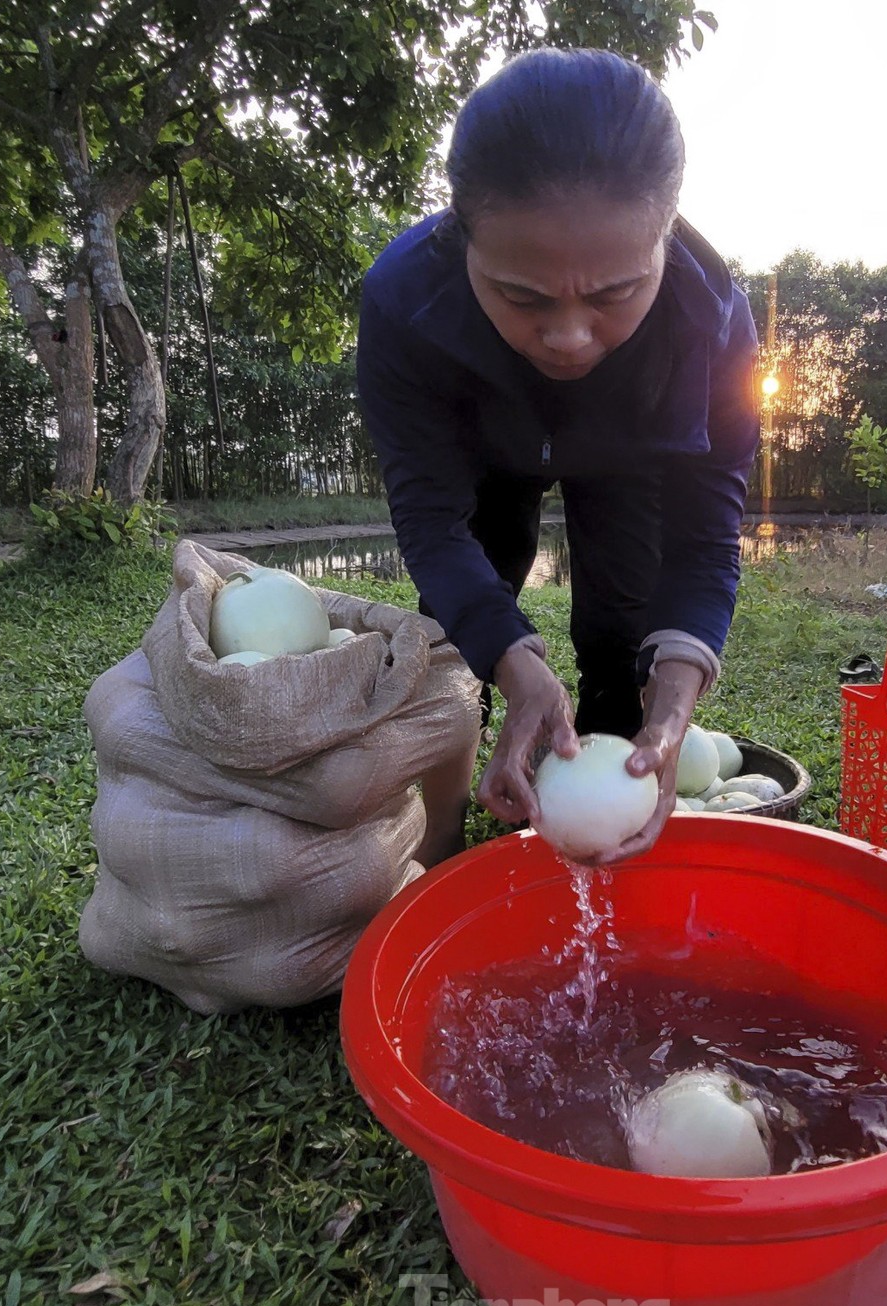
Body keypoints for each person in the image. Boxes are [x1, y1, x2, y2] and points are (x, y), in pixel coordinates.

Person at [356, 47, 758, 865]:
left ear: (665, 237)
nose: (571, 338)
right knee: (462, 621)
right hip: (485, 455)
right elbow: (434, 519)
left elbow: (704, 545)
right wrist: (512, 666)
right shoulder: (404, 304)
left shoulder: (712, 325)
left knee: (626, 625)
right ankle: (443, 841)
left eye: (615, 294)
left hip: (630, 455)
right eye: (522, 297)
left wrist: (673, 712)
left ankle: (602, 811)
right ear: (464, 239)